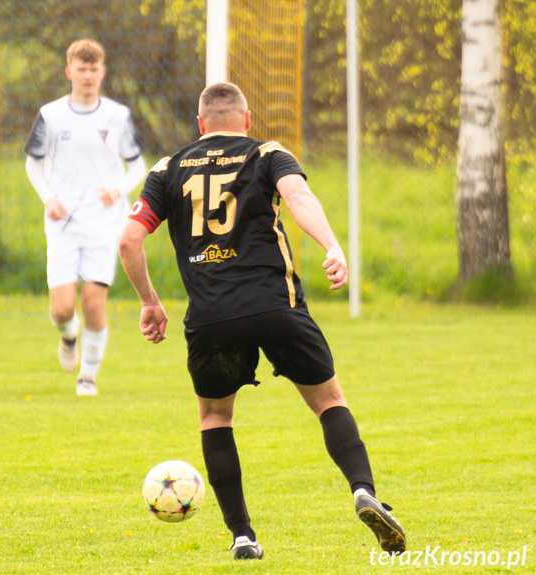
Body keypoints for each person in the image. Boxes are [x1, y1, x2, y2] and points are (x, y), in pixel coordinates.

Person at [119, 82, 406, 560]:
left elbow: (129, 241)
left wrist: (150, 302)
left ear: (200, 125)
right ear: (247, 120)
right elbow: (299, 200)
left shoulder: (167, 168)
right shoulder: (268, 152)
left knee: (215, 418)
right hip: (277, 305)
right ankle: (362, 489)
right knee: (328, 400)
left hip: (211, 318)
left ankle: (243, 537)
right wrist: (332, 247)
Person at [24, 39, 146, 396]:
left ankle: (88, 376)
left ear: (102, 72)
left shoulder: (117, 116)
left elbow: (137, 163)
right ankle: (69, 336)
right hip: (63, 222)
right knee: (62, 309)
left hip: (105, 222)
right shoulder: (51, 114)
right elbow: (33, 162)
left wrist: (119, 188)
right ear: (69, 72)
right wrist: (48, 198)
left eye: (94, 69)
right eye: (82, 68)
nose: (88, 75)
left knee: (94, 303)